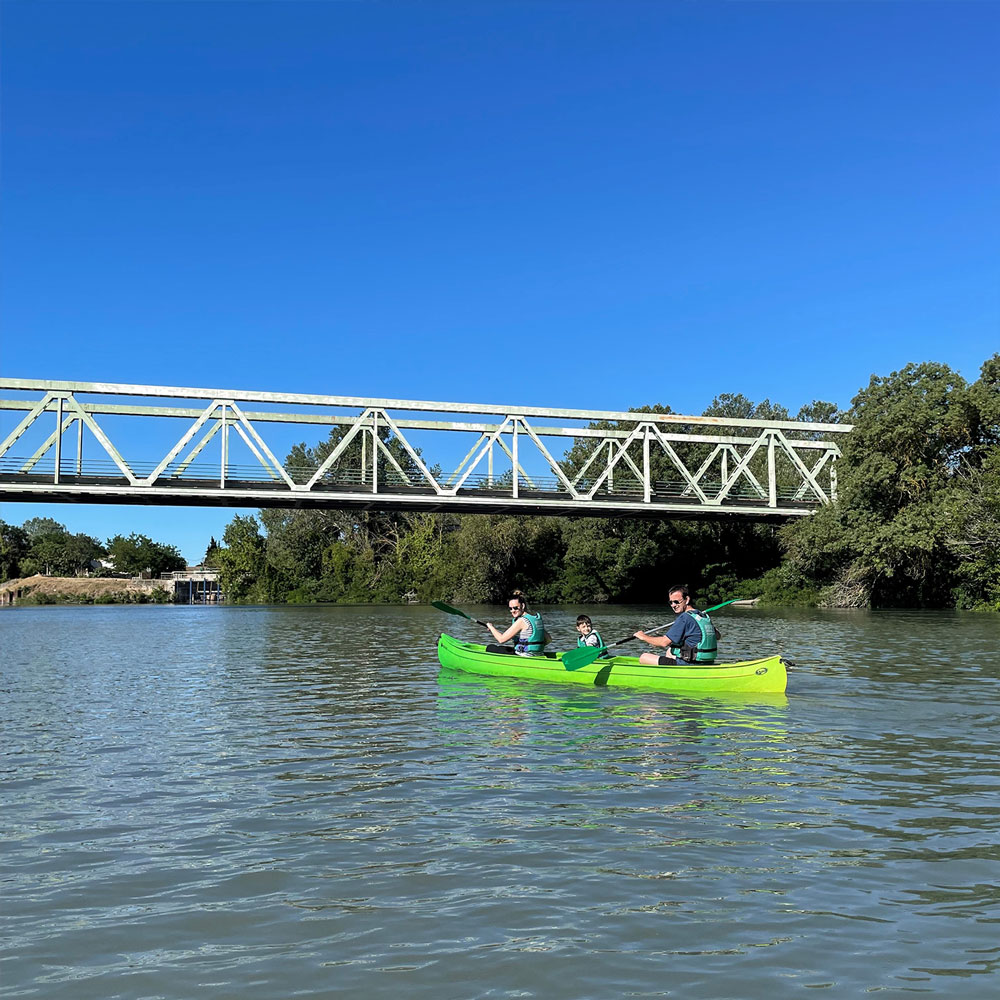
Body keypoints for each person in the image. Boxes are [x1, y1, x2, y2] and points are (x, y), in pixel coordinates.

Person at [634, 585, 718, 666]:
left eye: (676, 602)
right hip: (707, 662)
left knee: (644, 657)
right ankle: (668, 673)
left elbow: (663, 642)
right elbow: (718, 636)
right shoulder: (703, 616)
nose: (673, 605)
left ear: (687, 599)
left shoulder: (684, 617)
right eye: (671, 602)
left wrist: (643, 636)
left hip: (690, 664)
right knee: (670, 651)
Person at [486, 590, 550, 656]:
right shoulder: (534, 619)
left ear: (522, 606)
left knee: (490, 647)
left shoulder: (521, 621)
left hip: (524, 656)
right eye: (510, 608)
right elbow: (548, 639)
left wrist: (491, 627)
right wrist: (535, 647)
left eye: (515, 608)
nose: (512, 611)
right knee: (504, 648)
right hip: (539, 655)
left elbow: (501, 639)